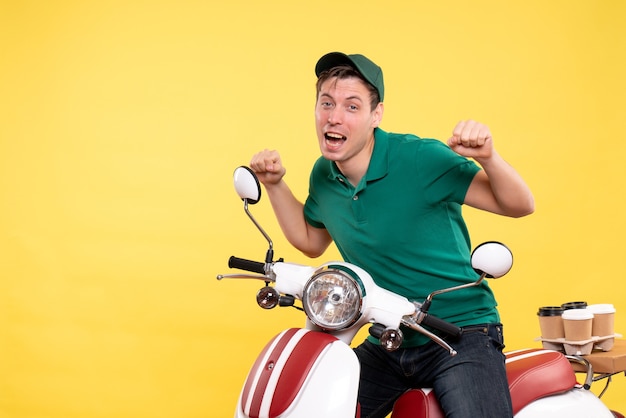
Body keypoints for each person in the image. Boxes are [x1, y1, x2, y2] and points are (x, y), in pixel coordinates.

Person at [249, 51, 534, 418]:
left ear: (375, 115)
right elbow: (310, 241)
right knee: (316, 405)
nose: (334, 116)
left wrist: (489, 158)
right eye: (327, 103)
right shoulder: (324, 173)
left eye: (352, 107)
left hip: (460, 334)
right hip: (388, 338)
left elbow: (519, 204)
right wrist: (274, 185)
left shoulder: (420, 159)